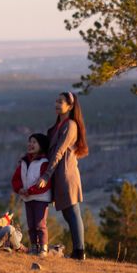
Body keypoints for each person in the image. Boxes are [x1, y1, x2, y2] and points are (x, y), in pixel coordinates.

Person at [34, 91, 89, 260]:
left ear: (70, 106)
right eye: (56, 101)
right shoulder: (60, 124)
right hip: (59, 174)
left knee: (72, 211)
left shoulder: (70, 126)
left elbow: (59, 152)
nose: (57, 104)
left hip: (66, 174)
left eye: (61, 102)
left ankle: (80, 252)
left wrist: (46, 175)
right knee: (68, 213)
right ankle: (78, 251)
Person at [11, 132, 52, 256]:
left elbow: (46, 183)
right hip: (28, 198)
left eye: (34, 142)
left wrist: (30, 191)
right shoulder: (24, 162)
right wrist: (19, 189)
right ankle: (34, 247)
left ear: (42, 145)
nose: (30, 144)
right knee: (31, 225)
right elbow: (16, 179)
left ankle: (43, 248)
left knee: (40, 224)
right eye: (30, 142)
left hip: (41, 198)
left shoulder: (44, 162)